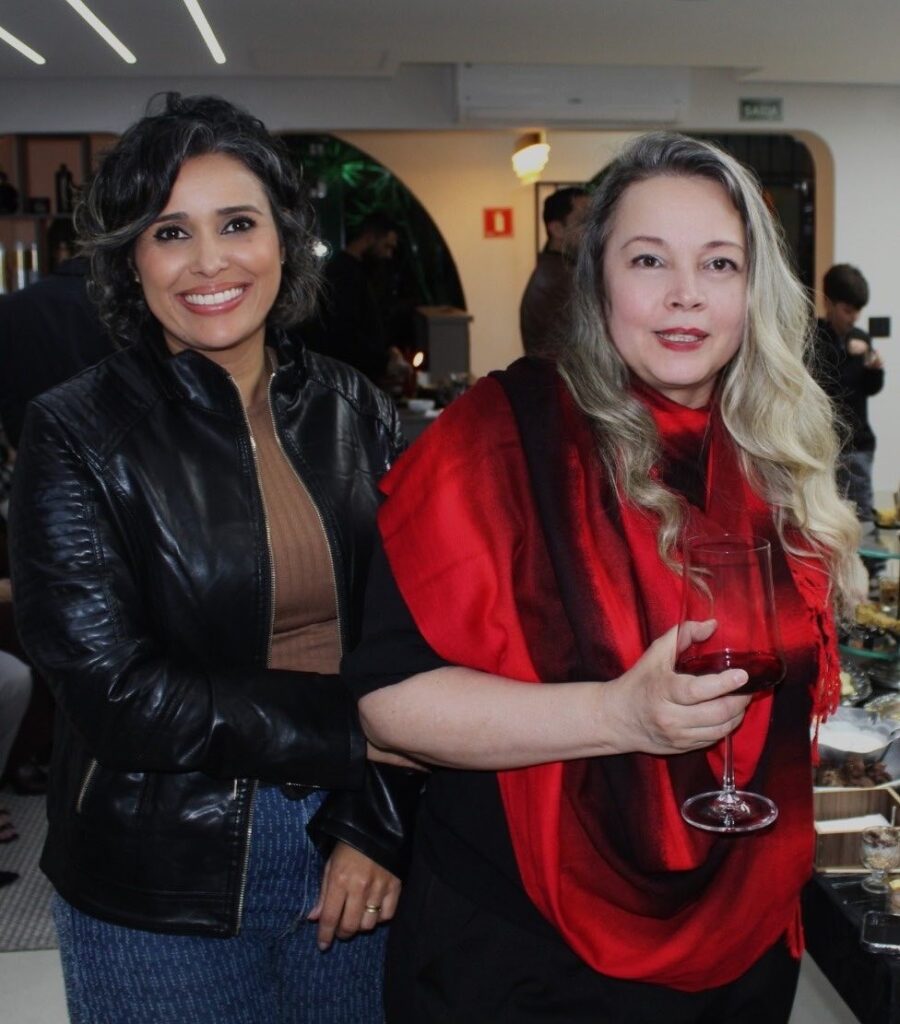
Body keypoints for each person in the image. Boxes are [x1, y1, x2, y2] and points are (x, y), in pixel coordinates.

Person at [346, 133, 862, 1023]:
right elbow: (388, 705)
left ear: (755, 288)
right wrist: (617, 715)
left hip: (742, 935)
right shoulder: (500, 439)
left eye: (720, 263)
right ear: (597, 282)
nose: (685, 294)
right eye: (648, 259)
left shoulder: (779, 453)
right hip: (526, 953)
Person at [9, 93, 421, 1024]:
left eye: (238, 223)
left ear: (284, 240)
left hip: (354, 837)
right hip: (159, 869)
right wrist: (359, 732)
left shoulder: (356, 410)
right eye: (170, 232)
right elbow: (112, 691)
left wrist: (379, 826)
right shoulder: (74, 432)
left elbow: (418, 636)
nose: (209, 262)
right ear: (131, 258)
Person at [0, 255, 114, 448]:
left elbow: (7, 386)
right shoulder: (115, 303)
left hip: (35, 441)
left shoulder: (14, 304)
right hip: (107, 442)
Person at [811, 263, 884, 526]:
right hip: (823, 444)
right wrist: (843, 352)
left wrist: (874, 368)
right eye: (847, 310)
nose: (854, 318)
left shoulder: (861, 337)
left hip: (859, 444)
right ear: (828, 303)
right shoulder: (814, 336)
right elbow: (821, 384)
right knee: (824, 516)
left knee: (862, 515)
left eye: (858, 311)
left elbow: (871, 388)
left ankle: (867, 554)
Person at [304, 212, 411, 388]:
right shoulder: (343, 275)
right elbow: (344, 335)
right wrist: (383, 362)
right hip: (344, 382)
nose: (389, 255)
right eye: (387, 246)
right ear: (371, 237)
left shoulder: (357, 273)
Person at [519, 185, 590, 359]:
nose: (594, 229)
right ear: (557, 229)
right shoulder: (556, 280)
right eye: (584, 220)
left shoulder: (560, 272)